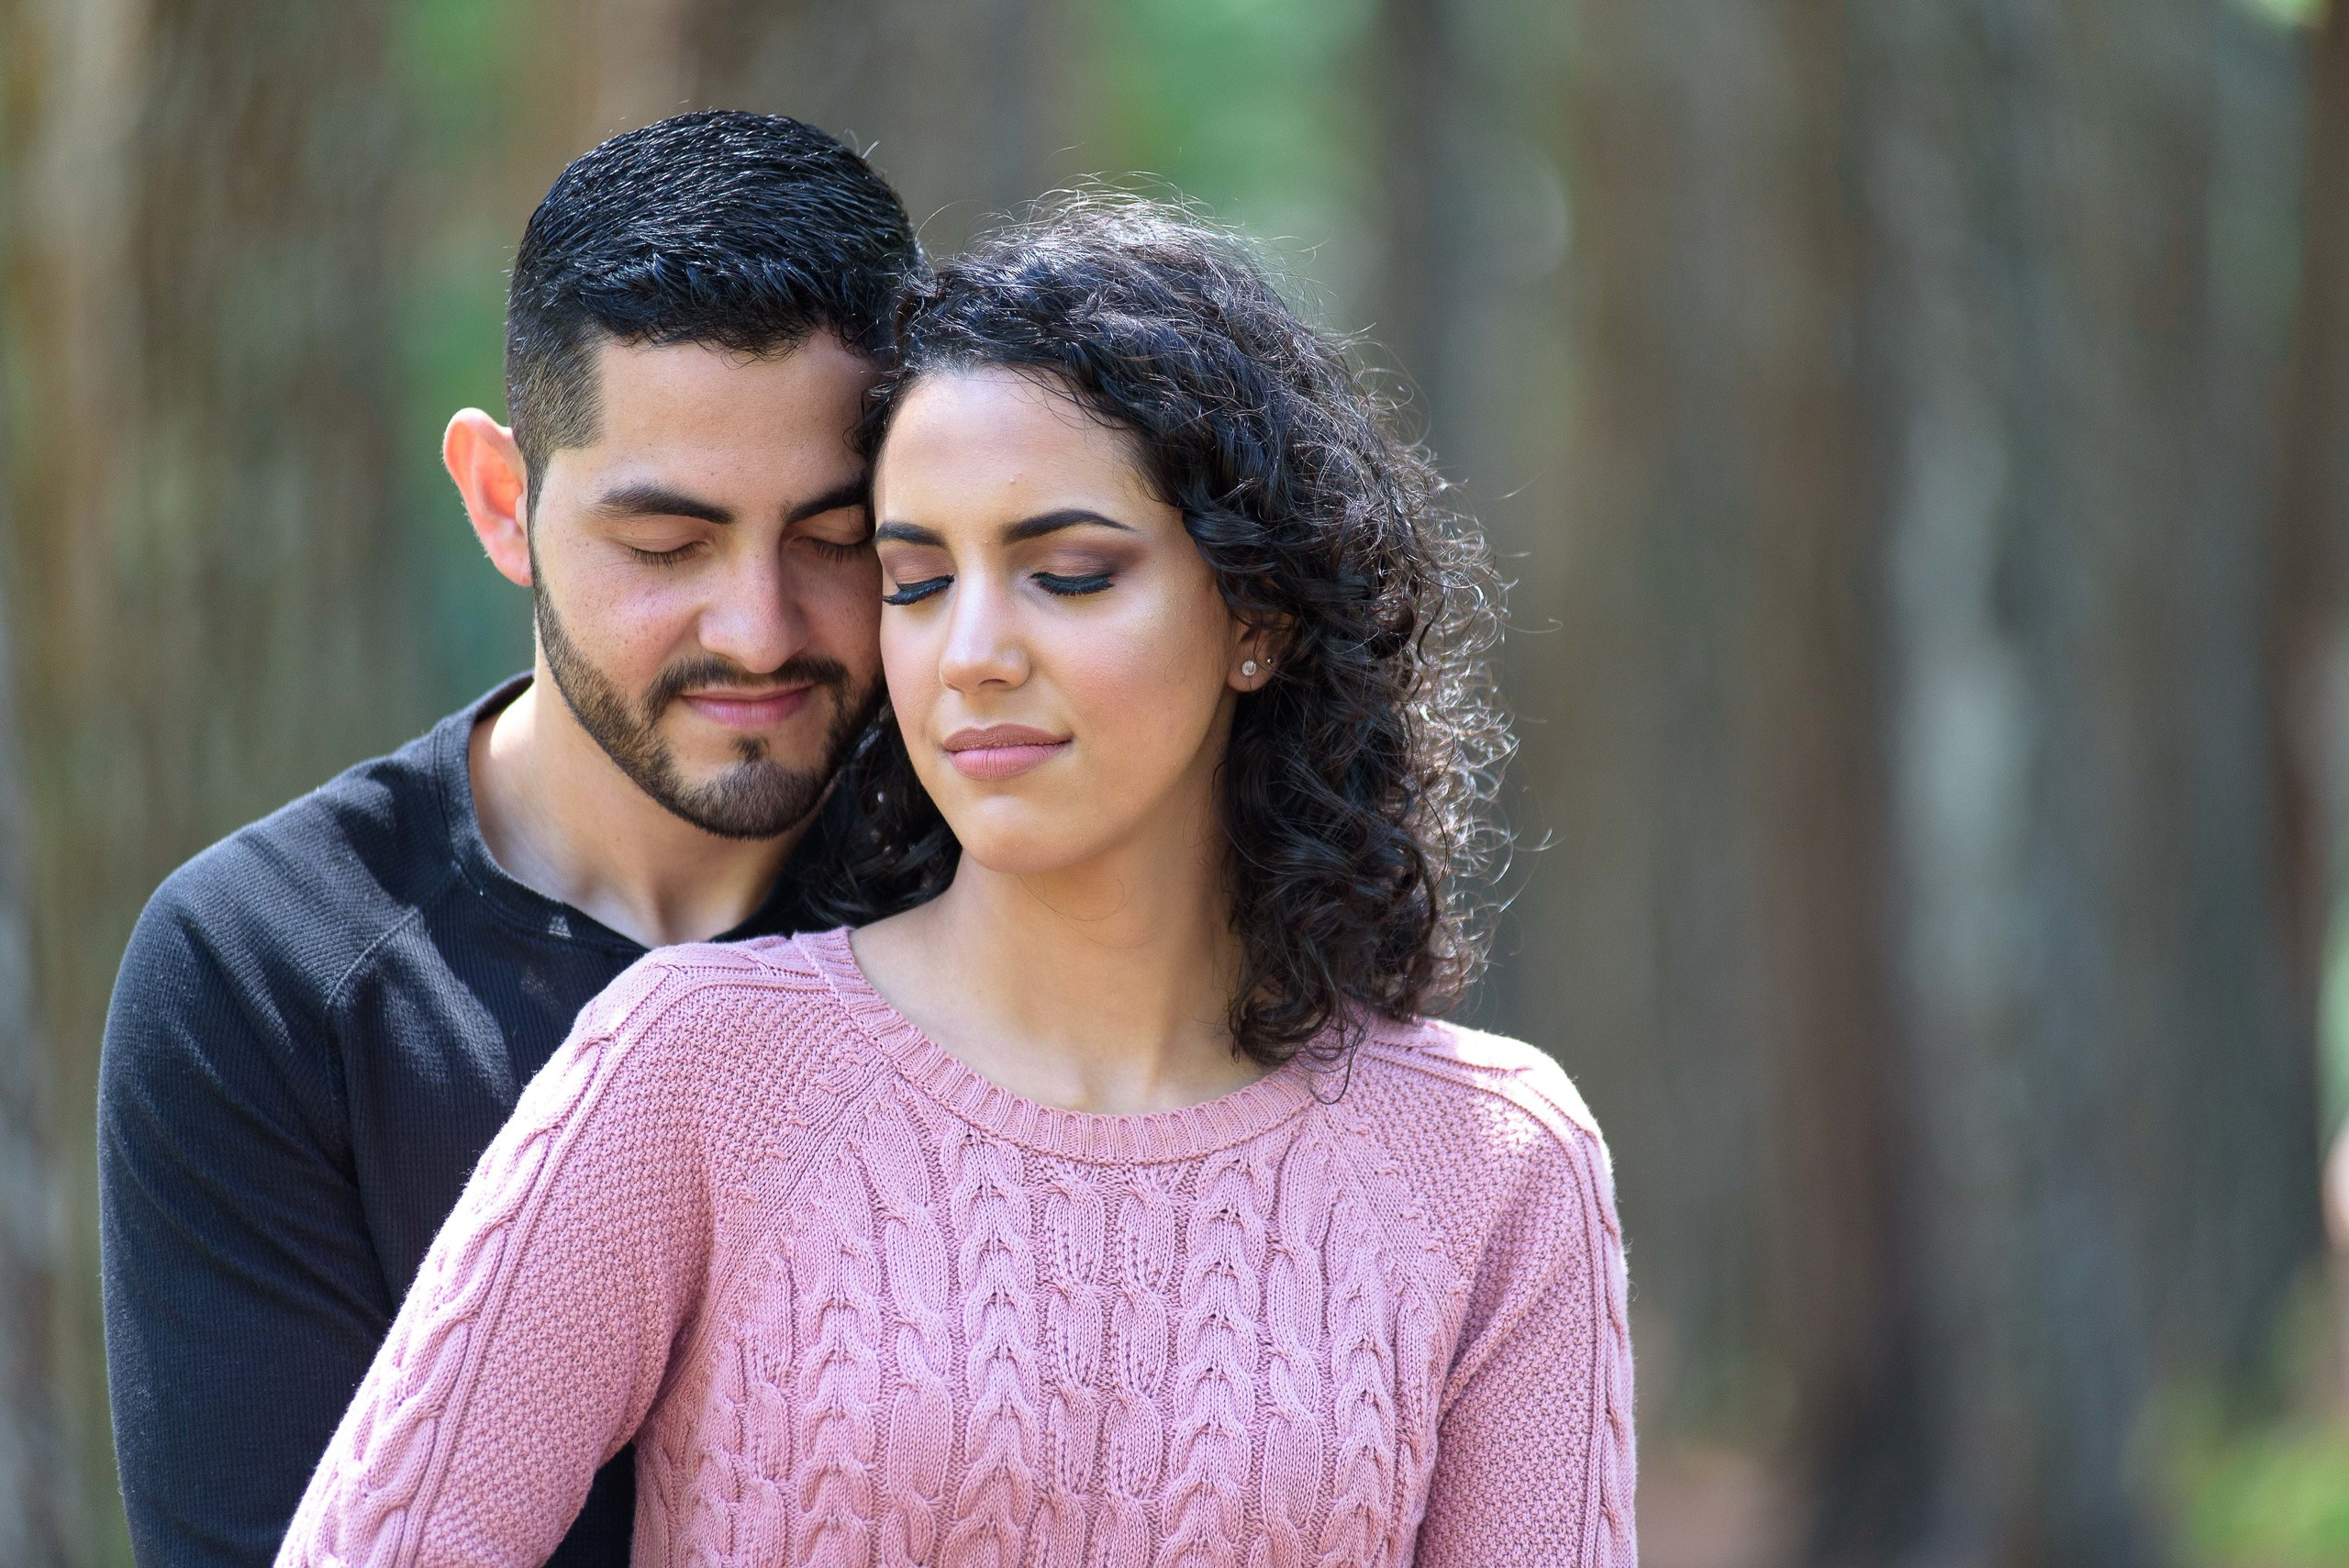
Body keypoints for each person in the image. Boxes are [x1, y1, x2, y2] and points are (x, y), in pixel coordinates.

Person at [276, 197, 1637, 1567]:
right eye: (917, 580)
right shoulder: (697, 1066)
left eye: (1066, 571)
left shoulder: (1496, 1168)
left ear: (1258, 616)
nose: (972, 650)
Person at [97, 111, 918, 1568]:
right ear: (503, 502)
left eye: (835, 537)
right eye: (665, 546)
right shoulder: (271, 970)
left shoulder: (1006, 885)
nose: (759, 627)